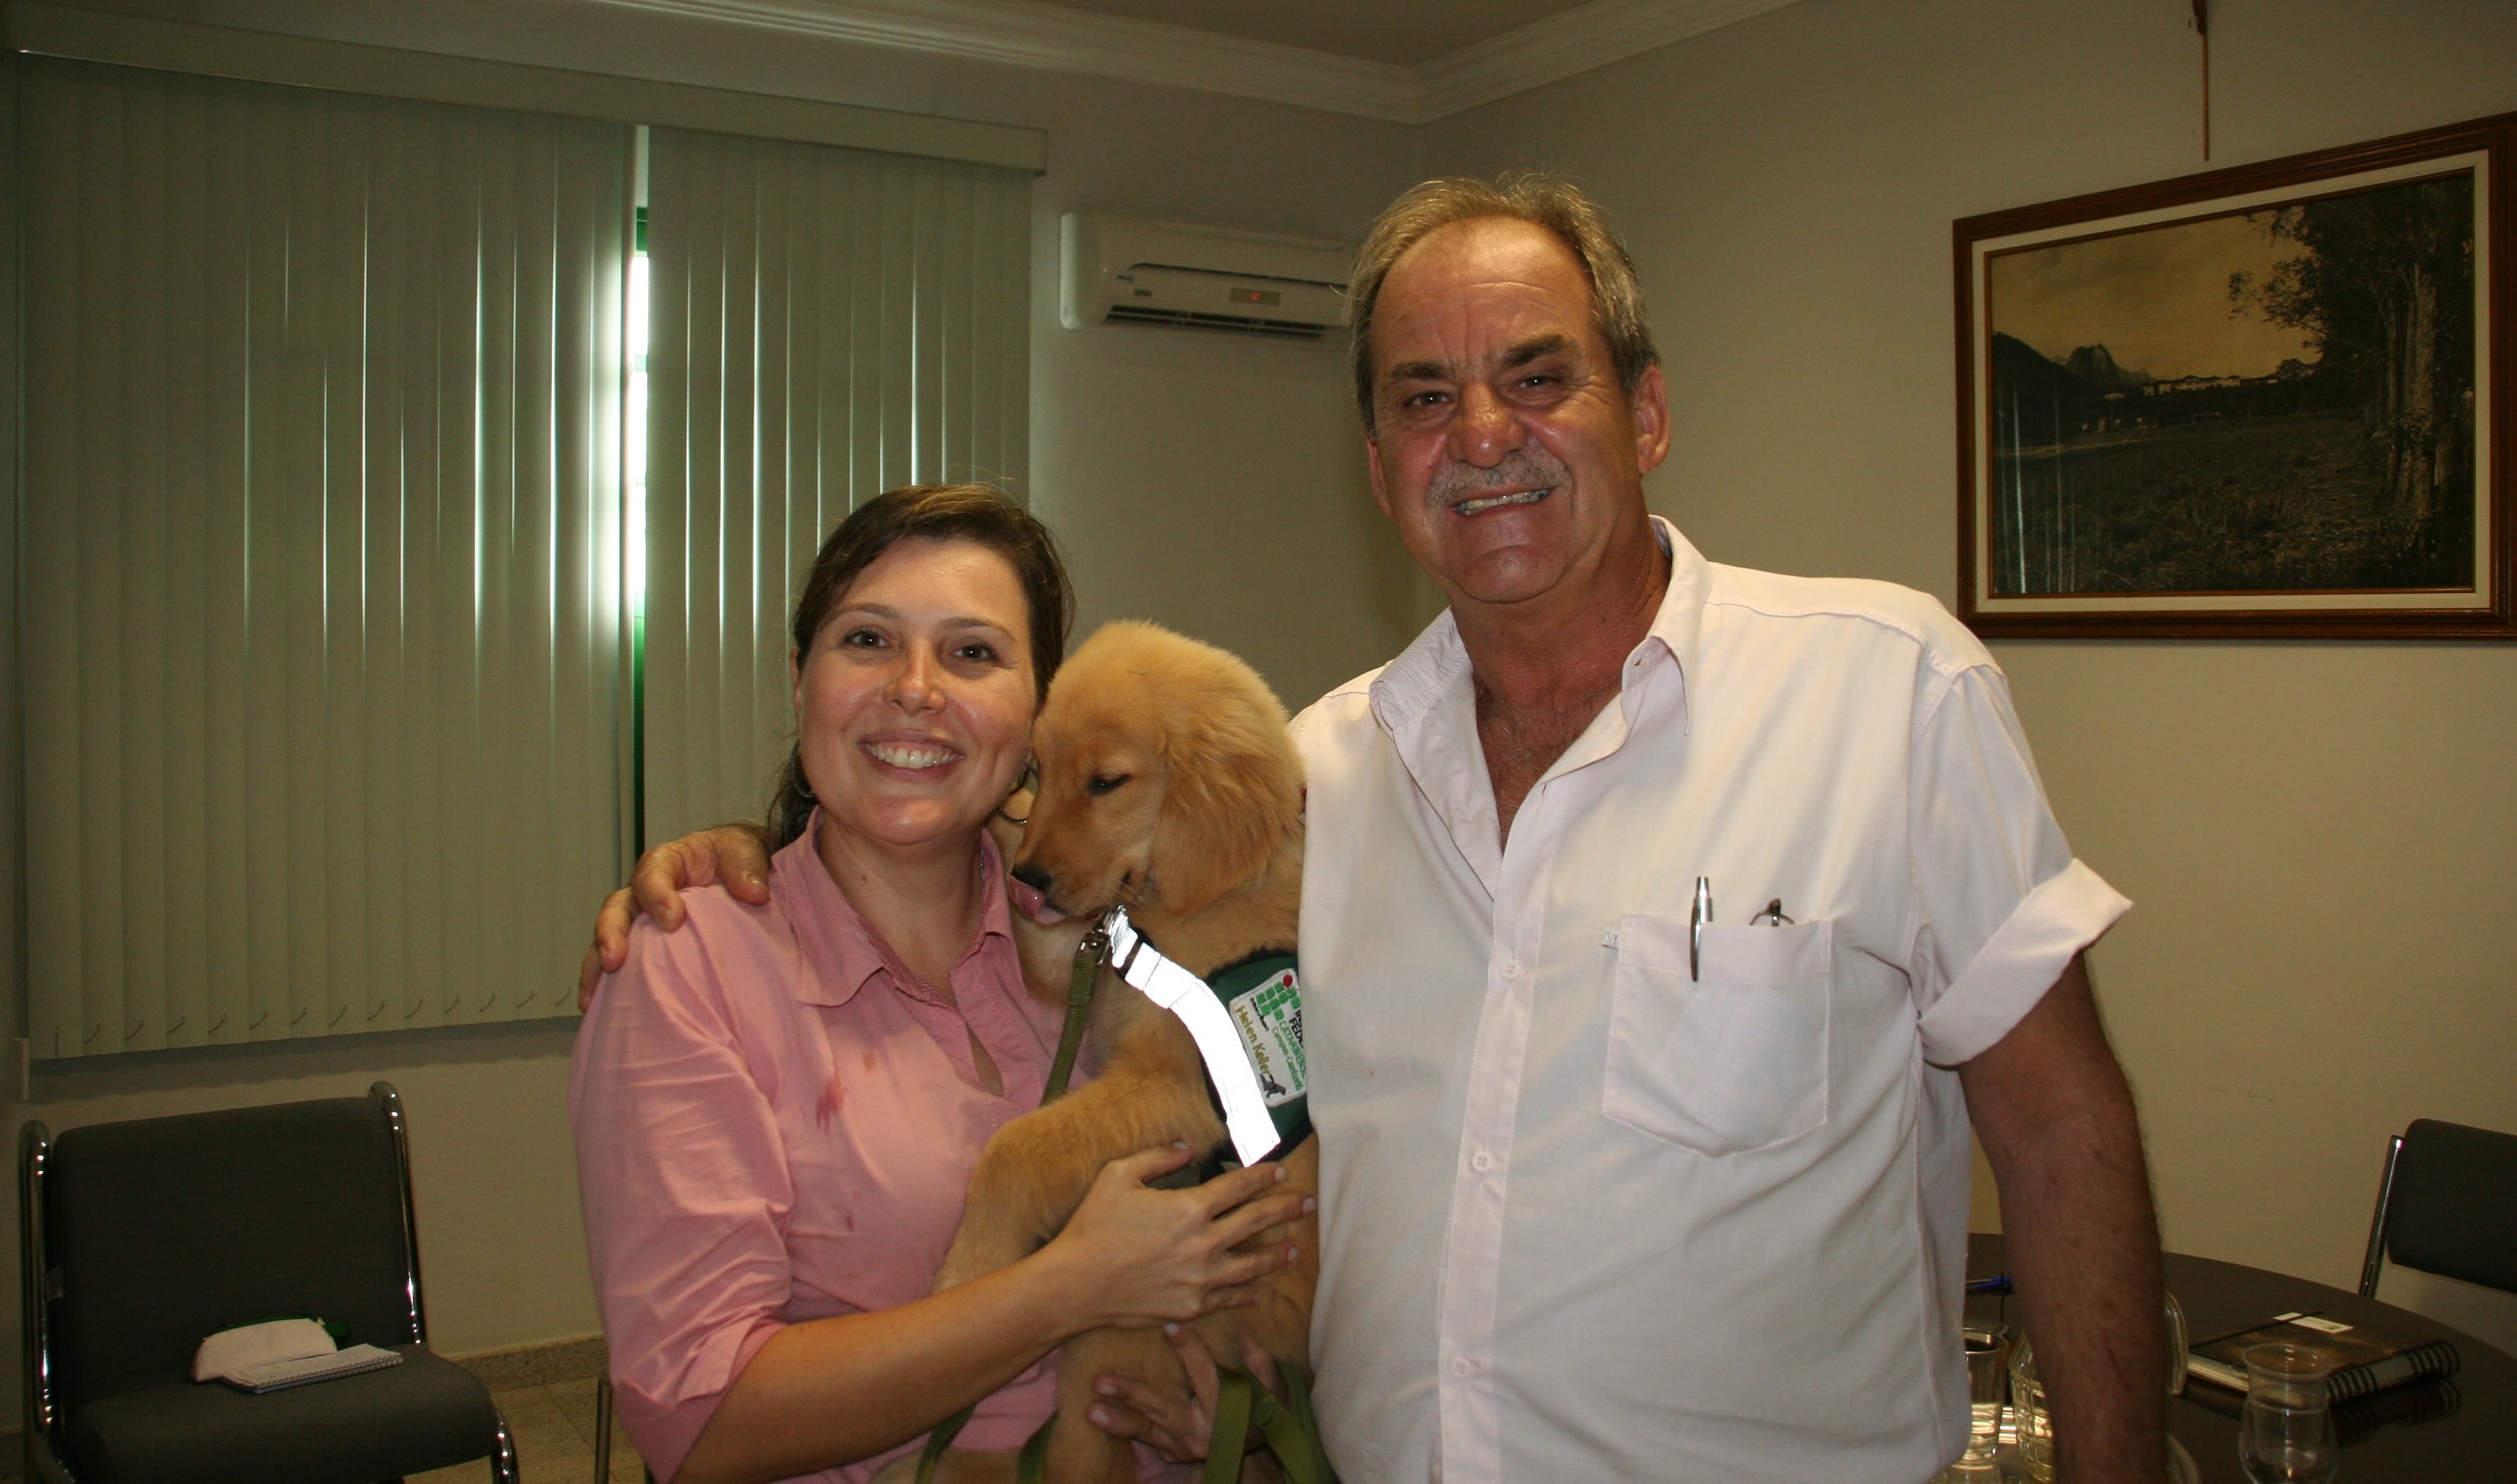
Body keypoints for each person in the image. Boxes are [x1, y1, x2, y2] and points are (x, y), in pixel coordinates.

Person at [586, 179, 2164, 1483]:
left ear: (1647, 411)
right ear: (1378, 468)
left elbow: (2060, 1132)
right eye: (1423, 397)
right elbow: (1225, 1059)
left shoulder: (1884, 694)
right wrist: (731, 857)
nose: (1479, 433)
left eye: (1537, 375)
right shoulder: (1327, 777)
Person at [570, 484, 1309, 1484]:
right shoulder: (686, 966)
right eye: (867, 640)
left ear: (1038, 711)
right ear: (800, 681)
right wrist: (1069, 1288)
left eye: (972, 653)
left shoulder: (1118, 910)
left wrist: (1245, 1413)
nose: (916, 689)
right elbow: (701, 1426)